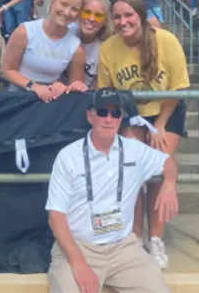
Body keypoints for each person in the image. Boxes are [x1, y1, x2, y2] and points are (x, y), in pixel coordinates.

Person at [45, 88, 178, 293]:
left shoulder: (134, 149)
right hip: (79, 247)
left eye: (115, 113)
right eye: (102, 112)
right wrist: (78, 263)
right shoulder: (68, 157)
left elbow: (168, 162)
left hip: (123, 248)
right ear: (90, 116)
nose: (109, 119)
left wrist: (169, 184)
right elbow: (55, 215)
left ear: (120, 118)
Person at [97, 0, 189, 269]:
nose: (123, 22)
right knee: (133, 169)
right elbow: (106, 92)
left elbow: (178, 87)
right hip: (131, 113)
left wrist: (160, 124)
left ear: (141, 17)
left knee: (157, 167)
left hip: (166, 110)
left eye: (129, 15)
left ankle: (155, 238)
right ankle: (135, 236)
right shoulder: (109, 48)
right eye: (118, 17)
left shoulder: (166, 40)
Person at [1, 0, 87, 102]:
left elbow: (76, 86)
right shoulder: (25, 31)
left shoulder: (76, 48)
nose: (67, 12)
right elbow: (7, 70)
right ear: (52, 3)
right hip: (19, 92)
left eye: (74, 9)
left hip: (51, 97)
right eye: (64, 4)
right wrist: (33, 86)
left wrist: (63, 87)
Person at [69, 0, 112, 89]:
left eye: (98, 15)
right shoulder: (65, 32)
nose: (91, 19)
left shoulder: (106, 48)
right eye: (87, 12)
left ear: (105, 21)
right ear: (79, 13)